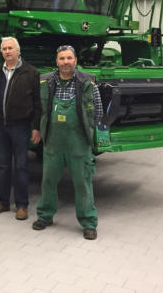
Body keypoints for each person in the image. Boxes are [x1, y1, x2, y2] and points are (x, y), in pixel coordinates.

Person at [32, 45, 103, 240]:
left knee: (83, 183)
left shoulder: (87, 83)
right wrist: (37, 129)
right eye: (62, 58)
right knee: (48, 181)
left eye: (69, 58)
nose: (65, 62)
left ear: (75, 61)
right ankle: (45, 216)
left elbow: (98, 111)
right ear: (56, 61)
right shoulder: (46, 82)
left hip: (78, 143)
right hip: (53, 142)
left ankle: (89, 222)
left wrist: (90, 134)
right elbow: (39, 108)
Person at [0, 37, 41, 221]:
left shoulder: (31, 72)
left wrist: (36, 127)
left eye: (10, 48)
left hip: (20, 126)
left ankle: (22, 205)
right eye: (4, 48)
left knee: (21, 167)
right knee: (3, 166)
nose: (7, 51)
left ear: (18, 51)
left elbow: (37, 103)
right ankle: (2, 202)